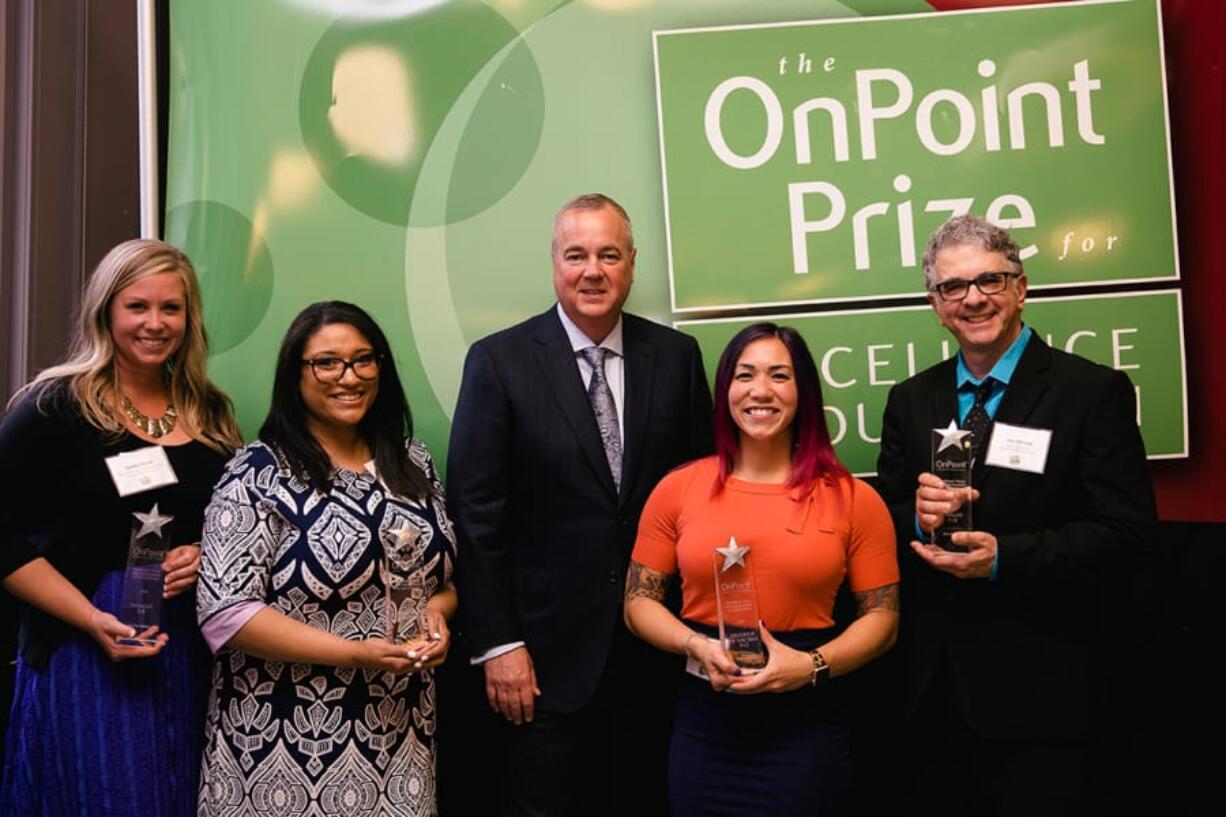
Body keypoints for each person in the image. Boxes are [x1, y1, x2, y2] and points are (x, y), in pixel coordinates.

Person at [875, 214, 1156, 814]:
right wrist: (917, 519)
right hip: (932, 698)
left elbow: (1127, 534)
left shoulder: (1091, 393)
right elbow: (884, 519)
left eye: (990, 281)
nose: (973, 298)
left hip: (1046, 704)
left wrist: (1005, 558)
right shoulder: (910, 400)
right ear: (935, 304)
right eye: (953, 287)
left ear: (1021, 289)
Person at [447, 193, 713, 816]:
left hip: (655, 655)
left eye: (609, 254)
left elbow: (701, 494)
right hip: (539, 664)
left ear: (632, 264)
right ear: (554, 263)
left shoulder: (676, 358)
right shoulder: (499, 361)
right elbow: (475, 514)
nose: (592, 270)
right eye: (577, 255)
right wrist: (499, 644)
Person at [0, 239, 241, 816]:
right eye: (138, 307)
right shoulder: (54, 405)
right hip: (86, 643)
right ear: (106, 310)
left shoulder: (211, 413)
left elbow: (238, 524)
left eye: (171, 308)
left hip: (189, 645)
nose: (155, 323)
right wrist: (91, 620)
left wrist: (206, 553)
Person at [624, 322, 900, 816]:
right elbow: (638, 602)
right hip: (705, 729)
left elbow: (883, 620)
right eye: (745, 374)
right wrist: (695, 644)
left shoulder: (855, 499)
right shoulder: (678, 489)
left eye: (779, 376)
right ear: (725, 389)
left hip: (807, 731)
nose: (760, 390)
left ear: (804, 393)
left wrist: (810, 666)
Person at [195, 301, 456, 816]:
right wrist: (353, 653)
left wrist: (437, 617)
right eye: (327, 363)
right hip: (276, 744)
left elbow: (444, 580)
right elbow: (225, 614)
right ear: (296, 374)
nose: (349, 377)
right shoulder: (258, 471)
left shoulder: (412, 460)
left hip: (398, 736)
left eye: (364, 360)